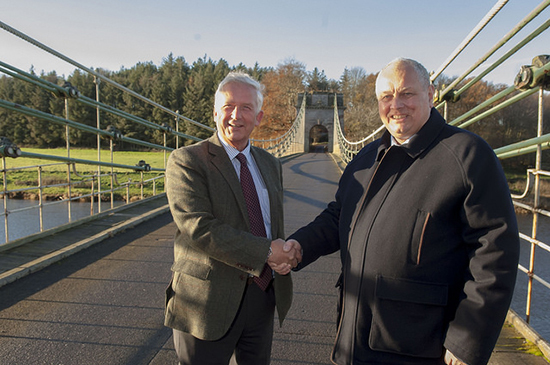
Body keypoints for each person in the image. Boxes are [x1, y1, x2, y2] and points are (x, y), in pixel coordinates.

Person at [285, 58, 520, 365]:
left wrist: (467, 340)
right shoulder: (368, 156)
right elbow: (339, 215)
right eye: (386, 96)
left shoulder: (468, 155)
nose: (396, 104)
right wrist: (299, 246)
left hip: (418, 345)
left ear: (431, 94)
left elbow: (495, 251)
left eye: (407, 93)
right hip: (354, 338)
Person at [164, 71, 301, 365]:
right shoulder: (187, 160)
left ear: (259, 117)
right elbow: (198, 228)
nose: (235, 115)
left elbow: (270, 226)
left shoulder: (270, 164)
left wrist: (284, 254)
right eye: (228, 106)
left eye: (246, 107)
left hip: (261, 296)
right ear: (215, 113)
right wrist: (267, 251)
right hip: (206, 301)